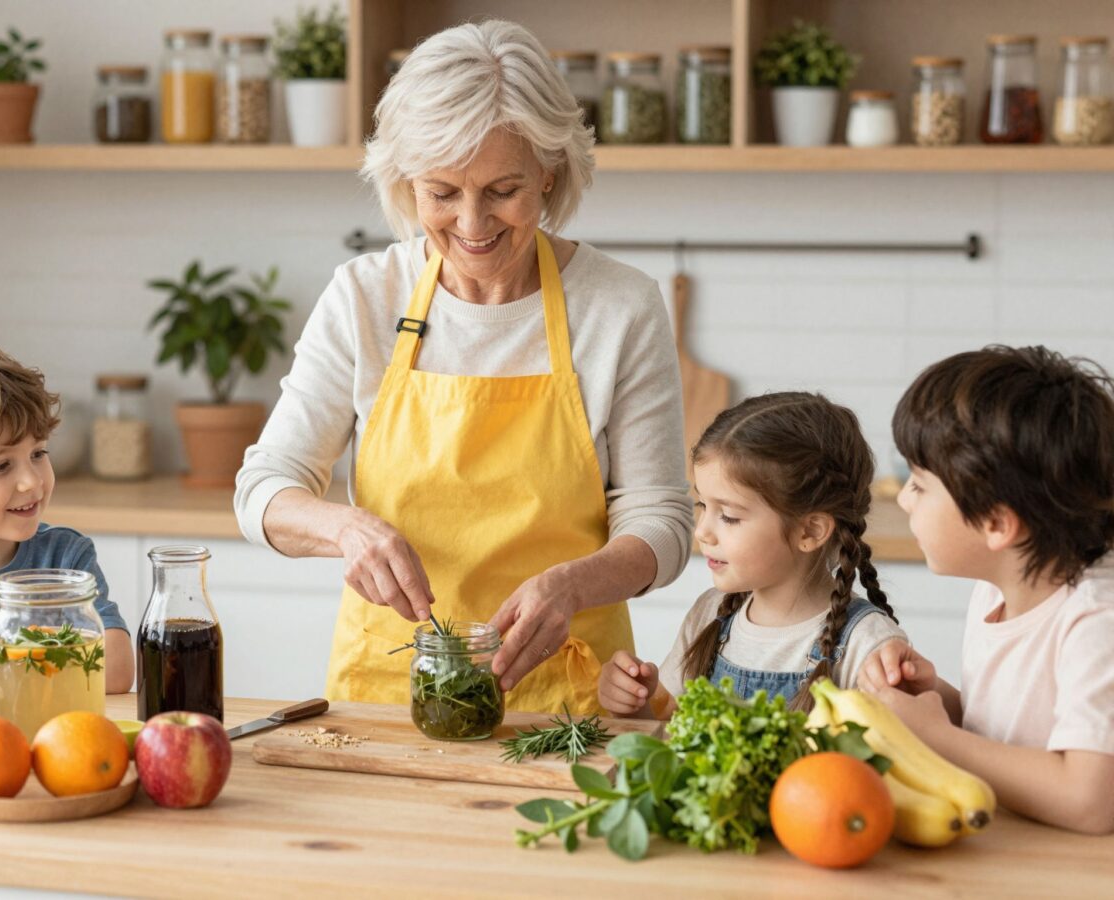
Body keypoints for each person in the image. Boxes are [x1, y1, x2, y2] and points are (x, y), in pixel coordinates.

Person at [234, 20, 692, 713]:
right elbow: (263, 488)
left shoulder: (620, 306)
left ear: (549, 169)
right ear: (404, 180)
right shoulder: (365, 295)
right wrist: (345, 528)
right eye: (442, 193)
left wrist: (573, 584)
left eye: (502, 189)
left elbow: (662, 519)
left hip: (568, 703)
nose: (472, 223)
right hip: (388, 698)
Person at [857, 345, 1114, 834]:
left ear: (996, 524)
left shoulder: (1098, 619)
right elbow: (1006, 732)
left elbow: (1090, 801)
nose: (906, 500)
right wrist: (936, 696)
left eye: (920, 484)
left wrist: (936, 736)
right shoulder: (998, 587)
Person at [599, 392, 904, 718]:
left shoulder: (868, 645)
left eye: (729, 515)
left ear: (810, 532)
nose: (702, 531)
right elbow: (670, 733)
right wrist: (635, 705)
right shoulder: (709, 613)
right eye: (703, 505)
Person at [0, 342, 133, 694]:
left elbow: (116, 669)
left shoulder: (64, 556)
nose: (32, 481)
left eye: (38, 453)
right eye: (0, 465)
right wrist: (19, 665)